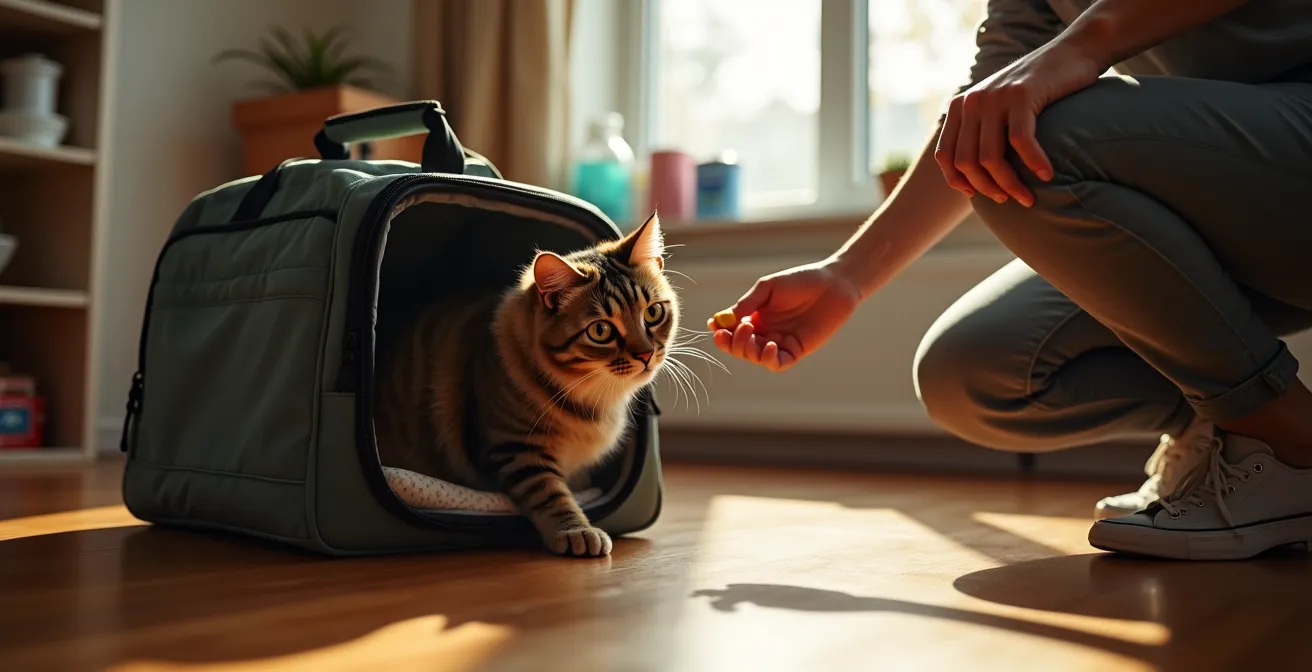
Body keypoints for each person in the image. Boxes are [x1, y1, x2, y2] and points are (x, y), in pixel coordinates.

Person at [708, 0, 1312, 561]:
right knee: (971, 371)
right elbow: (984, 103)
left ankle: (1288, 438)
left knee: (1026, 136)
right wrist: (847, 276)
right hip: (1227, 206)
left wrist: (1084, 44)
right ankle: (1219, 431)